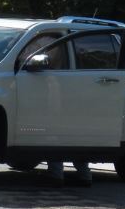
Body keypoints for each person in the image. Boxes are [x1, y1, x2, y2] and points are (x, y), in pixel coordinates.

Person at [16, 32, 93, 189]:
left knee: (53, 132)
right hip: (73, 89)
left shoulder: (45, 41)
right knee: (73, 133)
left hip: (52, 87)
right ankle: (84, 173)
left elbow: (25, 60)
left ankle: (56, 173)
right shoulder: (66, 40)